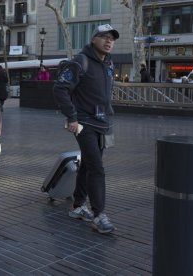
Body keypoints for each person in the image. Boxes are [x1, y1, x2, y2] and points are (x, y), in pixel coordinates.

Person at [53, 24, 119, 234]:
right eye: (104, 37)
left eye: (112, 38)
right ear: (93, 40)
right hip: (84, 123)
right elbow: (60, 89)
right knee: (97, 168)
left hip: (103, 123)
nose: (109, 41)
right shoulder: (80, 61)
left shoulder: (109, 64)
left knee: (89, 166)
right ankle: (99, 215)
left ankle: (78, 205)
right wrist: (71, 117)